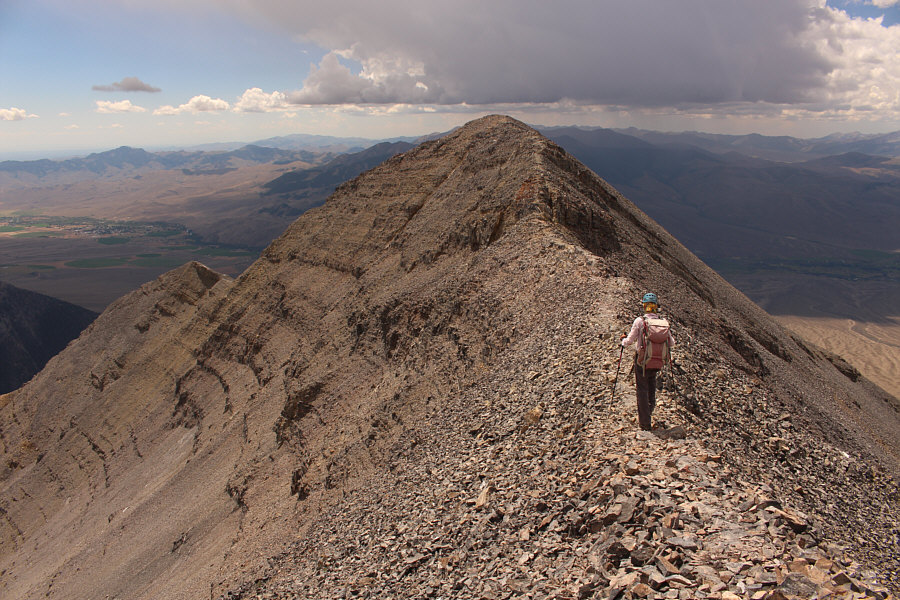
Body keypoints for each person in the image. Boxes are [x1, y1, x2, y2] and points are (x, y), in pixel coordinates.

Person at [620, 292, 675, 430]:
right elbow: (672, 343)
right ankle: (650, 410)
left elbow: (630, 340)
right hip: (656, 361)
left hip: (642, 360)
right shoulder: (663, 323)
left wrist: (623, 341)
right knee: (651, 386)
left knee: (642, 389)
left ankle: (645, 423)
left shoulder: (640, 321)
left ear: (644, 306)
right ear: (656, 306)